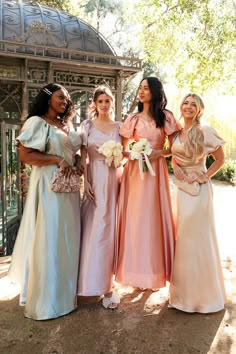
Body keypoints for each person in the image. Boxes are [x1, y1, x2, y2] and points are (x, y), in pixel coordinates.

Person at [8, 83, 82, 320]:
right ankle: (47, 298)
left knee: (67, 238)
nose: (65, 101)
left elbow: (73, 151)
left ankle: (66, 292)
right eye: (61, 97)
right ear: (48, 98)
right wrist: (56, 160)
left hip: (69, 188)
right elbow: (25, 154)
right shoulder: (37, 122)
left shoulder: (66, 125)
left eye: (67, 99)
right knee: (49, 237)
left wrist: (77, 162)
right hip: (49, 185)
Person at [115, 77, 181, 290]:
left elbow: (176, 148)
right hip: (135, 174)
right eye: (140, 88)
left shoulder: (167, 117)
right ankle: (134, 272)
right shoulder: (132, 119)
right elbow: (123, 150)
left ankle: (155, 273)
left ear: (155, 91)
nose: (141, 92)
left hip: (156, 174)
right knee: (136, 220)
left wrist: (157, 153)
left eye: (146, 88)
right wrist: (136, 152)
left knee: (153, 219)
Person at [169, 93, 226, 313]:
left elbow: (220, 160)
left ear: (199, 109)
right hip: (181, 190)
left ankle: (204, 298)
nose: (188, 107)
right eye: (185, 103)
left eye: (194, 104)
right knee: (182, 238)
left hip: (199, 190)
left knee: (197, 240)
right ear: (180, 106)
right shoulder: (175, 132)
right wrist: (178, 170)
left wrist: (202, 176)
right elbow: (174, 156)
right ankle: (182, 297)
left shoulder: (205, 131)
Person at [77, 85, 122, 309]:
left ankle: (107, 287)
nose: (104, 105)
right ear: (94, 104)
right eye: (100, 101)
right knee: (92, 229)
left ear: (112, 103)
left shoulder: (119, 127)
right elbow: (84, 157)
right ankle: (86, 283)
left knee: (109, 231)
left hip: (114, 180)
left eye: (107, 101)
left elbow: (126, 156)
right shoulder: (86, 126)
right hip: (94, 178)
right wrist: (86, 182)